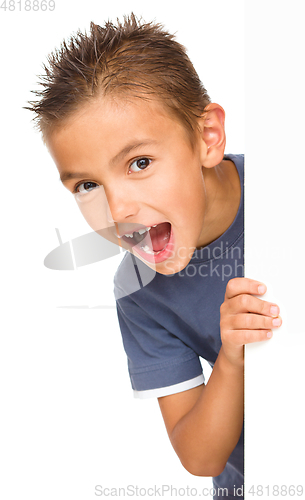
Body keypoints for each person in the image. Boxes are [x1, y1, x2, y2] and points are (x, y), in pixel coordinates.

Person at [26, 14, 282, 499]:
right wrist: (232, 358)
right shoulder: (137, 292)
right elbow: (200, 456)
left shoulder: (287, 185)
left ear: (207, 137)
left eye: (139, 163)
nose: (117, 210)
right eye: (87, 185)